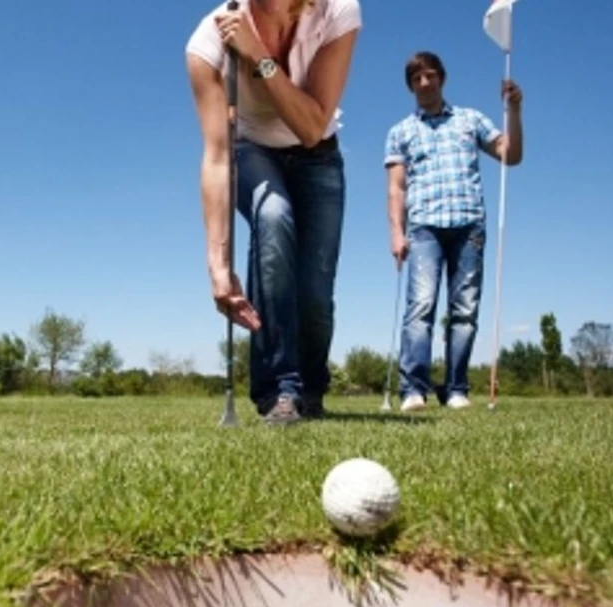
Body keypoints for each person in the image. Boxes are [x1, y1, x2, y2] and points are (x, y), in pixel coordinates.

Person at [185, 0, 362, 424]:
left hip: (318, 153)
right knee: (272, 217)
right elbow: (216, 155)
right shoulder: (208, 40)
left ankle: (311, 390)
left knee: (315, 291)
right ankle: (280, 390)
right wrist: (218, 264)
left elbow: (311, 125)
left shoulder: (338, 11)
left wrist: (259, 57)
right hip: (252, 149)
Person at [382, 51, 523, 411]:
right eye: (417, 78)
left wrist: (514, 112)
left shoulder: (470, 119)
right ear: (410, 85)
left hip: (469, 224)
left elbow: (511, 154)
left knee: (464, 311)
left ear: (441, 78)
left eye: (430, 76)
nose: (424, 83)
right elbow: (396, 188)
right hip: (424, 227)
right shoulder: (400, 132)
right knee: (421, 307)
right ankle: (413, 390)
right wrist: (396, 233)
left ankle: (457, 389)